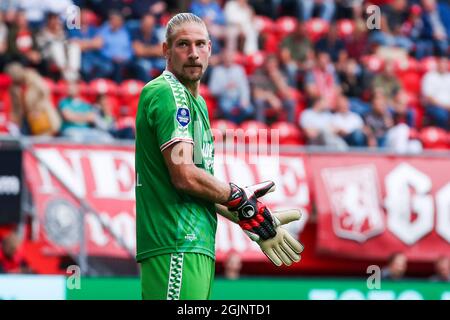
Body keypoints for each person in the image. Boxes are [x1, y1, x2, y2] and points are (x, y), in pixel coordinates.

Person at [135, 13, 304, 300]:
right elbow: (185, 176)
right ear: (165, 50)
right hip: (177, 242)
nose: (193, 54)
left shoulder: (197, 102)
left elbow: (201, 185)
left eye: (200, 45)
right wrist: (239, 197)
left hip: (194, 243)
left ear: (210, 49)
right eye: (182, 45)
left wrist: (250, 214)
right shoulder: (168, 93)